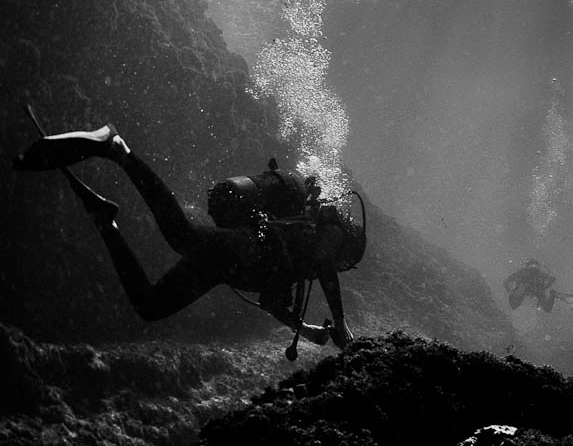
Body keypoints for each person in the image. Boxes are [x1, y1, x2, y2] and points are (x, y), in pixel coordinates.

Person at [12, 121, 360, 348]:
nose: (339, 262)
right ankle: (118, 149)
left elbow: (272, 301)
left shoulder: (300, 261)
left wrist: (305, 329)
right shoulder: (320, 239)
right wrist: (341, 321)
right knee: (182, 235)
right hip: (247, 245)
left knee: (150, 305)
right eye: (344, 259)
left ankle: (106, 221)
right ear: (344, 242)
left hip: (223, 268)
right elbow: (326, 263)